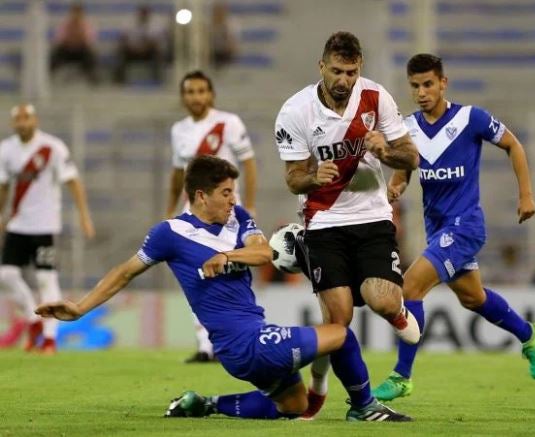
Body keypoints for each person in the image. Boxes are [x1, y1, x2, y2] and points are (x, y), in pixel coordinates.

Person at [35, 155, 411, 423]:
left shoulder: (239, 220)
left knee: (294, 405)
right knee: (340, 335)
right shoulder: (170, 233)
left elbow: (265, 253)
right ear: (201, 196)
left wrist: (228, 256)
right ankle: (364, 407)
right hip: (242, 343)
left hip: (251, 338)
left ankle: (205, 404)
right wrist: (81, 308)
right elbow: (123, 272)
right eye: (227, 192)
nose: (234, 199)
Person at [372, 53, 535, 401]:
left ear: (443, 83)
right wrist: (397, 185)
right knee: (473, 297)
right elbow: (405, 168)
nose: (421, 92)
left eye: (427, 84)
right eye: (414, 86)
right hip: (438, 229)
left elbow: (513, 145)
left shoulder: (471, 118)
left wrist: (526, 195)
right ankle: (529, 334)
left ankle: (401, 376)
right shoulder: (407, 128)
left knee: (409, 288)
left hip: (466, 225)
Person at [274, 31, 420, 418]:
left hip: (372, 218)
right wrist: (312, 177)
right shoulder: (295, 111)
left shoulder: (376, 98)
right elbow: (292, 179)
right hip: (323, 223)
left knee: (382, 299)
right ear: (321, 67)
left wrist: (385, 150)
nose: (344, 80)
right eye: (337, 71)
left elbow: (412, 158)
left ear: (360, 70)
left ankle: (398, 315)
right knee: (338, 322)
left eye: (351, 72)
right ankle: (345, 398)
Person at [166, 70, 257, 363]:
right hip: (192, 216)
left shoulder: (228, 123)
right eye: (190, 92)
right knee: (196, 277)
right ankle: (206, 345)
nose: (196, 97)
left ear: (211, 94)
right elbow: (179, 174)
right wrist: (170, 209)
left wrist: (250, 205)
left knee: (231, 276)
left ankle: (232, 340)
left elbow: (249, 164)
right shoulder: (178, 130)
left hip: (227, 213)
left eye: (201, 91)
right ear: (183, 97)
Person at [0, 104, 95, 354]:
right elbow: (3, 187)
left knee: (45, 278)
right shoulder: (6, 150)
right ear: (13, 123)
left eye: (26, 118)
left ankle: (50, 338)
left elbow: (73, 182)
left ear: (35, 120)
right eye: (18, 119)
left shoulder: (52, 147)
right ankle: (33, 321)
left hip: (44, 225)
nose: (22, 122)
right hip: (17, 224)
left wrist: (84, 216)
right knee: (5, 275)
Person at [113, 5, 167, 85]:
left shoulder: (156, 26)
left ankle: (158, 80)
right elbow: (123, 39)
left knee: (158, 53)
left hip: (148, 52)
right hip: (132, 51)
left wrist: (145, 47)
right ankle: (119, 80)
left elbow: (157, 42)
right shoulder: (129, 24)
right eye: (142, 13)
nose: (143, 15)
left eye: (145, 13)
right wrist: (134, 47)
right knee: (121, 52)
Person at [50, 2, 99, 84]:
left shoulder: (86, 25)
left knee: (90, 54)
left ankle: (93, 78)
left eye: (78, 12)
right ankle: (48, 76)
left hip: (81, 52)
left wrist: (79, 36)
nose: (76, 15)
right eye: (74, 12)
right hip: (67, 51)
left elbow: (89, 41)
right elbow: (59, 40)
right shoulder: (65, 25)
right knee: (56, 53)